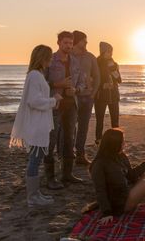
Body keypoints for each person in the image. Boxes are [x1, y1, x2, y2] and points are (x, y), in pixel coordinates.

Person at [10, 45, 63, 206]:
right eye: (49, 57)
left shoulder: (37, 75)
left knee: (37, 159)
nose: (52, 59)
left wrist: (52, 101)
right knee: (34, 160)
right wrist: (54, 100)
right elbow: (33, 101)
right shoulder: (34, 75)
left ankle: (36, 193)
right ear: (43, 58)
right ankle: (32, 197)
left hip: (40, 123)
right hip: (36, 124)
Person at [90, 128, 145, 225]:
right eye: (122, 142)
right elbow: (100, 191)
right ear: (114, 144)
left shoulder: (120, 156)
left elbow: (132, 175)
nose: (125, 144)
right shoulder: (99, 164)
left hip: (128, 190)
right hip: (119, 204)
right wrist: (107, 213)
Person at [45, 31, 86, 188]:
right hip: (54, 105)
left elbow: (81, 83)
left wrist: (76, 90)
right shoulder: (51, 60)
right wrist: (58, 84)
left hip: (71, 105)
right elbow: (42, 82)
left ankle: (67, 175)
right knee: (51, 139)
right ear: (58, 43)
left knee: (69, 139)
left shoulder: (75, 61)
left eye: (70, 43)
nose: (68, 46)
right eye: (65, 43)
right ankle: (50, 178)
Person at [72, 30, 100, 165]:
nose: (86, 43)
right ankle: (66, 153)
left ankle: (80, 154)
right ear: (77, 41)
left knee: (84, 126)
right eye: (84, 40)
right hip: (72, 97)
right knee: (70, 126)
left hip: (87, 97)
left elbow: (97, 75)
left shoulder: (90, 57)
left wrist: (93, 93)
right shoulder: (68, 56)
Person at [95, 42, 122, 145]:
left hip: (114, 95)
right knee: (100, 120)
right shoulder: (96, 63)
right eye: (108, 51)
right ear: (103, 51)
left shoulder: (114, 64)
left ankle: (117, 141)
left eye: (111, 51)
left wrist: (113, 69)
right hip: (101, 96)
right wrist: (102, 86)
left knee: (115, 120)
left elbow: (119, 80)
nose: (111, 54)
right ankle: (98, 140)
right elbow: (93, 79)